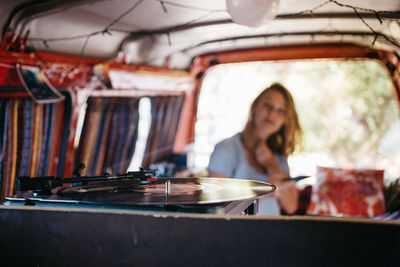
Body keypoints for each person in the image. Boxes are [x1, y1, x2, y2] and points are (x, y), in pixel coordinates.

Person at [207, 83, 303, 215]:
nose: (272, 113)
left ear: (285, 120)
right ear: (254, 107)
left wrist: (271, 165)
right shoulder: (227, 149)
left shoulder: (279, 156)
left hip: (271, 231)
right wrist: (262, 192)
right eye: (268, 105)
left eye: (281, 110)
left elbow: (291, 206)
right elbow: (214, 205)